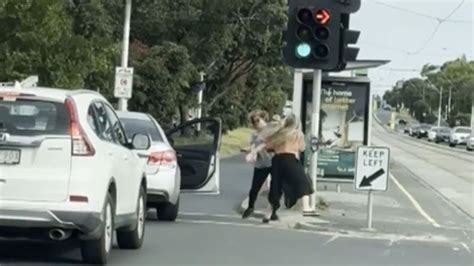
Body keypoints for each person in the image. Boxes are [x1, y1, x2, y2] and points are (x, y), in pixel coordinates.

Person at [263, 114, 314, 223]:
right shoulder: (297, 134)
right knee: (303, 181)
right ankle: (306, 207)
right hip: (290, 160)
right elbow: (302, 148)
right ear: (296, 123)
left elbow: (268, 146)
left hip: (277, 161)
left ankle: (268, 213)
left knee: (275, 187)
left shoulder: (279, 133)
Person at [242, 110, 273, 219]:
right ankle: (250, 207)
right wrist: (251, 153)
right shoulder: (254, 134)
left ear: (264, 119)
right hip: (261, 163)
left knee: (274, 188)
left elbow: (268, 144)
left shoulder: (271, 131)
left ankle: (271, 211)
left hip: (273, 162)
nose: (256, 124)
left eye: (257, 120)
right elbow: (253, 147)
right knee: (254, 187)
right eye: (253, 122)